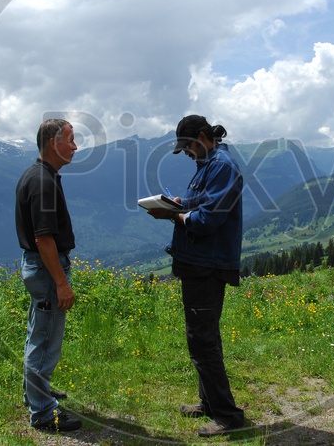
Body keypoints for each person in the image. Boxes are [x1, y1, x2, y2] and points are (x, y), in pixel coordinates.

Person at [147, 115, 245, 437]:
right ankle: (209, 403)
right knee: (203, 337)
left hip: (208, 266)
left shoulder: (222, 166)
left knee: (202, 340)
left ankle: (228, 416)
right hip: (198, 263)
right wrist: (179, 204)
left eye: (187, 147)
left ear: (202, 137)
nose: (186, 153)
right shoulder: (208, 165)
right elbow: (199, 205)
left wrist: (173, 214)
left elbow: (207, 219)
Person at [15, 118, 82, 432]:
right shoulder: (43, 182)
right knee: (45, 340)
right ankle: (42, 412)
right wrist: (61, 282)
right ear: (53, 144)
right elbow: (43, 238)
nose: (75, 146)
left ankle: (37, 392)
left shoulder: (41, 175)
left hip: (38, 266)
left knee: (38, 332)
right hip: (46, 268)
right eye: (70, 139)